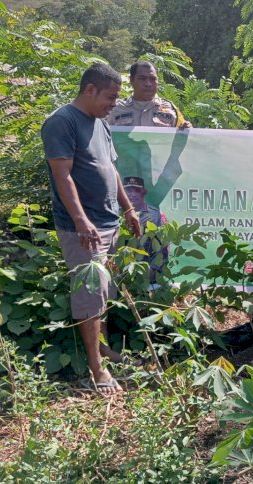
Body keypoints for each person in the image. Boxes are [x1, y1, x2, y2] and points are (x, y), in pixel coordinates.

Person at [41, 63, 142, 395]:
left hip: (109, 223)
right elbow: (63, 175)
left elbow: (111, 169)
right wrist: (82, 219)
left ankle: (104, 350)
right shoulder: (62, 122)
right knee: (89, 297)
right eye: (110, 97)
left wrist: (127, 208)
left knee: (104, 294)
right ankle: (96, 369)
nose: (114, 103)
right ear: (90, 90)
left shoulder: (100, 123)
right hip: (82, 229)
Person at [107, 60, 192, 129]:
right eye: (142, 79)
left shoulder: (170, 109)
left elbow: (184, 139)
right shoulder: (115, 109)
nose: (148, 83)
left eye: (152, 79)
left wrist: (187, 129)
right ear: (132, 80)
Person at [122, 176, 169, 283]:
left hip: (147, 273)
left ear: (143, 192)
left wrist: (153, 272)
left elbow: (163, 248)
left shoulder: (155, 215)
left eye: (137, 191)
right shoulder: (116, 214)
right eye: (128, 190)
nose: (132, 194)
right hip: (122, 273)